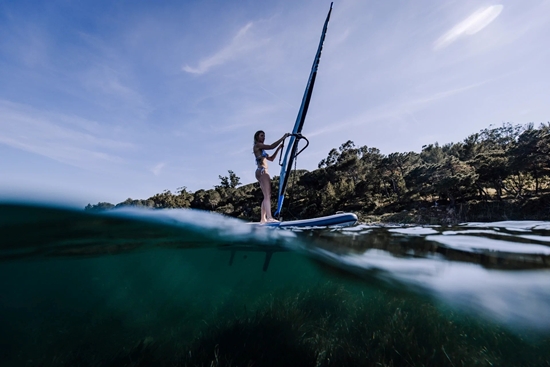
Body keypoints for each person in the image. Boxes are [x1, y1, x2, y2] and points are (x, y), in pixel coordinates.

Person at [253, 130, 290, 223]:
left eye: (264, 136)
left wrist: (279, 148)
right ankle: (269, 217)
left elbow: (272, 159)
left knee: (266, 195)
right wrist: (283, 138)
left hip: (260, 171)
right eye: (262, 136)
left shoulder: (262, 150)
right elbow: (271, 146)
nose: (263, 137)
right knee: (267, 195)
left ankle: (263, 218)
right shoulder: (257, 145)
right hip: (262, 171)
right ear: (257, 137)